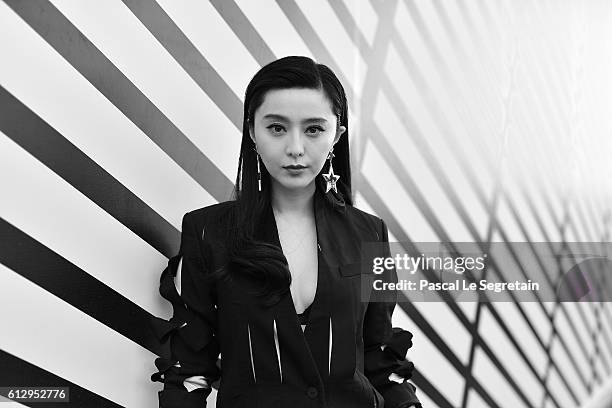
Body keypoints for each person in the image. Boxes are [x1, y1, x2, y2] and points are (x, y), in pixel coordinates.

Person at [150, 56, 422, 408]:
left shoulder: (371, 233)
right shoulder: (207, 231)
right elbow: (189, 370)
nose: (295, 148)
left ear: (336, 135)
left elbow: (380, 356)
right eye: (277, 128)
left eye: (313, 129)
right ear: (251, 130)